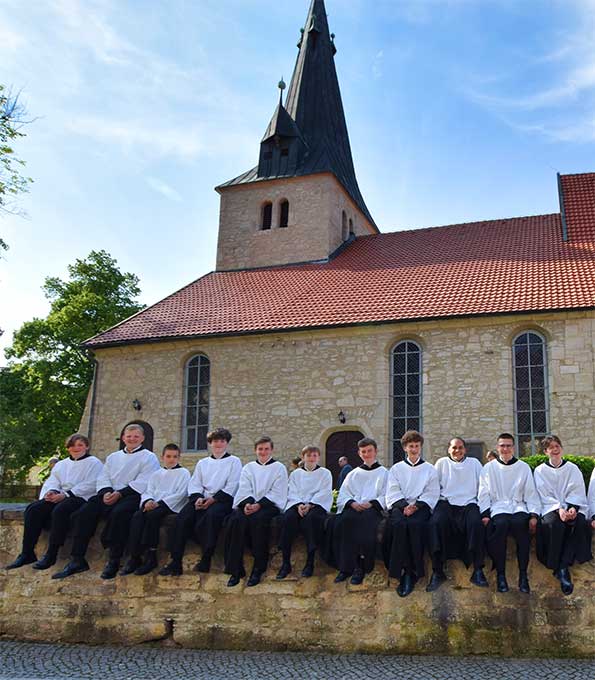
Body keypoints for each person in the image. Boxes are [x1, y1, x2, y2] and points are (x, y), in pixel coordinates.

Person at [52, 423, 160, 580]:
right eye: (128, 436)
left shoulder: (149, 457)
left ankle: (114, 560)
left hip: (131, 494)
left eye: (136, 436)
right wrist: (105, 492)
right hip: (108, 493)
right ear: (123, 438)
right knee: (84, 512)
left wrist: (120, 493)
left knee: (119, 514)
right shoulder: (113, 457)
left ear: (142, 438)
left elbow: (144, 480)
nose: (132, 439)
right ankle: (77, 558)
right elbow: (103, 476)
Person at [5, 434, 103, 571]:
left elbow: (92, 484)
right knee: (34, 509)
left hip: (80, 497)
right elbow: (53, 481)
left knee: (60, 510)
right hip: (60, 495)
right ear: (68, 448)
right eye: (73, 445)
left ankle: (51, 554)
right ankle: (27, 553)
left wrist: (66, 494)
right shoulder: (62, 465)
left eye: (80, 445)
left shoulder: (94, 463)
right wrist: (51, 492)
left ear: (87, 446)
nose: (76, 448)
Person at [159, 428, 241, 576]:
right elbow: (195, 483)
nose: (219, 444)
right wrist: (197, 498)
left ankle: (206, 558)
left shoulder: (234, 461)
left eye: (222, 441)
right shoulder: (203, 463)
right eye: (215, 441)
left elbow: (232, 485)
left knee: (211, 517)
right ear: (210, 443)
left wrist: (213, 499)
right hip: (201, 498)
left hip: (222, 500)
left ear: (227, 443)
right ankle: (175, 561)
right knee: (182, 517)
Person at [478, 433, 541, 594]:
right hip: (498, 507)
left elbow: (531, 492)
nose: (505, 449)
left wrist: (534, 516)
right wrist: (485, 514)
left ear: (513, 447)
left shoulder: (523, 467)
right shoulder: (488, 468)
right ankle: (500, 575)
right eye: (502, 445)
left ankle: (523, 575)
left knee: (521, 526)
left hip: (518, 506)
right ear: (497, 447)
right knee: (499, 525)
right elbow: (483, 493)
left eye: (508, 445)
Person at [224, 436, 288, 587]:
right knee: (235, 520)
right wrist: (247, 503)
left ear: (271, 450)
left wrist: (259, 505)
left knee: (258, 522)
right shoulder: (249, 468)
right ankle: (236, 568)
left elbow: (277, 491)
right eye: (260, 449)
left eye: (266, 449)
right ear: (255, 450)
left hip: (269, 505)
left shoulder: (279, 468)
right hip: (250, 503)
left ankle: (258, 567)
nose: (263, 452)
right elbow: (245, 487)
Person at [427, 437, 488, 591]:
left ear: (465, 449)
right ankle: (437, 571)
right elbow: (434, 487)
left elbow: (483, 487)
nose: (457, 451)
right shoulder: (441, 463)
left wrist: (484, 509)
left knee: (476, 524)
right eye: (454, 448)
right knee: (435, 524)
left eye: (460, 447)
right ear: (449, 449)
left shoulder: (474, 464)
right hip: (446, 501)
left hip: (469, 502)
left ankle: (478, 570)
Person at [383, 430, 439, 597]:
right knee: (399, 525)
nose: (414, 449)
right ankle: (402, 571)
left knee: (415, 525)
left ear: (420, 447)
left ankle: (413, 571)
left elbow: (432, 491)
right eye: (410, 446)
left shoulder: (429, 469)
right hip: (401, 506)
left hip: (420, 507)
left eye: (417, 446)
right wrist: (403, 506)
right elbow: (392, 490)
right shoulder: (396, 469)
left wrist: (416, 506)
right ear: (405, 448)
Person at [534, 435, 591, 595]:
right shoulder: (540, 471)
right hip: (550, 508)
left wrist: (573, 508)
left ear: (561, 448)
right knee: (554, 524)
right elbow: (544, 495)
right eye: (551, 447)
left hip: (572, 506)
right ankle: (559, 566)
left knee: (580, 523)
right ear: (545, 451)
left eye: (557, 445)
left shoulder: (572, 468)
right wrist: (559, 509)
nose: (555, 449)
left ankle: (563, 565)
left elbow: (577, 490)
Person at [326, 437, 388, 586]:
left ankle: (361, 566)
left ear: (375, 452)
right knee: (342, 521)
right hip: (354, 507)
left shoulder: (384, 472)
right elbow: (344, 493)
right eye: (364, 452)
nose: (367, 454)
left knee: (365, 523)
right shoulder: (354, 473)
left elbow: (387, 494)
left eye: (369, 451)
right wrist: (352, 503)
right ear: (359, 454)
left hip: (372, 509)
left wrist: (372, 503)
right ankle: (345, 567)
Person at [121, 444, 190, 576]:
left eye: (175, 456)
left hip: (169, 505)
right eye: (168, 456)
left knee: (152, 517)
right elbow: (148, 490)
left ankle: (151, 555)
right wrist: (148, 500)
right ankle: (135, 556)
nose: (171, 459)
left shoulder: (183, 473)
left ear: (179, 457)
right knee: (137, 517)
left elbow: (181, 494)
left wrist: (159, 504)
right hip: (153, 504)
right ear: (162, 457)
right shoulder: (156, 474)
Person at [276, 445, 332, 579]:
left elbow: (325, 491)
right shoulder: (296, 474)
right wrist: (299, 505)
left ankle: (310, 562)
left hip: (316, 506)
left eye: (314, 455)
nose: (312, 458)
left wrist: (311, 504)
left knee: (311, 521)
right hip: (297, 504)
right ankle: (285, 563)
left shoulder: (325, 473)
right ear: (303, 457)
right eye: (309, 455)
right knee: (288, 519)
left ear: (318, 457)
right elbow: (292, 490)